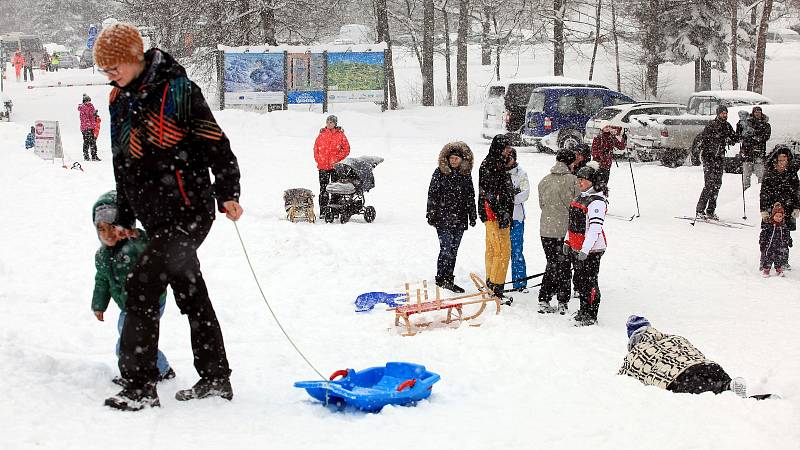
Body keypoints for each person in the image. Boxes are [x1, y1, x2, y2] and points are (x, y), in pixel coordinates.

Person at [94, 22, 243, 411]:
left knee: (142, 286)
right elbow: (121, 163)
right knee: (191, 292)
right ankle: (215, 378)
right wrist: (126, 216)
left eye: (114, 67)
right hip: (156, 218)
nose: (110, 76)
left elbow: (216, 143)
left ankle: (140, 385)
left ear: (134, 57)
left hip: (190, 211)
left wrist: (228, 192)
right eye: (105, 70)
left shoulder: (179, 90)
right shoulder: (117, 101)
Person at [90, 191, 176, 386]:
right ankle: (161, 369)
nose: (108, 234)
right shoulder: (102, 256)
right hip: (128, 305)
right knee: (134, 341)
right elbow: (102, 280)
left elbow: (149, 246)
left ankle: (137, 374)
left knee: (125, 343)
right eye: (102, 230)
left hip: (151, 301)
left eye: (112, 228)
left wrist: (134, 234)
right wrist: (99, 304)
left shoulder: (136, 244)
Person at [619, 315, 747, 397]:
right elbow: (695, 352)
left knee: (699, 387)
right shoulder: (674, 338)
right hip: (707, 366)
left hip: (681, 375)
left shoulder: (636, 351)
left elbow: (621, 380)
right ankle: (730, 385)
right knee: (716, 377)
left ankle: (726, 388)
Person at [426, 142, 477, 293]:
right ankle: (441, 278)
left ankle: (449, 278)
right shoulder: (439, 173)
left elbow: (470, 196)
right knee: (446, 248)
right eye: (451, 158)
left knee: (453, 250)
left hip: (460, 219)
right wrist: (430, 213)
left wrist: (472, 214)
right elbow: (432, 194)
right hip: (442, 218)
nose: (454, 161)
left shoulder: (465, 175)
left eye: (456, 158)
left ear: (462, 160)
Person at [564, 161, 607, 326]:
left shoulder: (597, 202)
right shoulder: (580, 197)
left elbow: (595, 229)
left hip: (592, 250)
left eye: (583, 180)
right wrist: (568, 241)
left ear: (592, 181)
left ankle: (591, 315)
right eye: (578, 179)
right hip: (578, 247)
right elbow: (572, 223)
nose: (580, 182)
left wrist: (585, 250)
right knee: (580, 281)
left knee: (590, 282)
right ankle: (583, 310)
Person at [537, 150, 581, 314]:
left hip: (546, 229)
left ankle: (545, 297)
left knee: (552, 263)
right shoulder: (573, 181)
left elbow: (542, 205)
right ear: (570, 163)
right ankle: (561, 300)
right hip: (564, 230)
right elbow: (577, 205)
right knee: (563, 266)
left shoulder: (544, 181)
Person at [479, 134, 515, 302]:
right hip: (495, 215)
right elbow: (490, 194)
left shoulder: (495, 163)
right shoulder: (492, 165)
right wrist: (502, 212)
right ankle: (496, 287)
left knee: (493, 250)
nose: (509, 150)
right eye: (507, 147)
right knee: (502, 251)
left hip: (493, 213)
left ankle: (491, 283)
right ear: (500, 148)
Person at [759, 145, 800, 268]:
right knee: (767, 235)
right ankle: (765, 260)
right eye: (781, 159)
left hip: (787, 208)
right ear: (775, 160)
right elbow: (764, 193)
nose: (783, 162)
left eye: (785, 159)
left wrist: (797, 207)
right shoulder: (770, 173)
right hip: (771, 209)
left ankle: (783, 260)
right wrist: (764, 210)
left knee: (784, 236)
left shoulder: (792, 173)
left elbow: (796, 191)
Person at [695, 105, 737, 220]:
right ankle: (700, 210)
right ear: (718, 114)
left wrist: (739, 130)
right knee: (709, 184)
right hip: (709, 158)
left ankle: (711, 210)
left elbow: (734, 139)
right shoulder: (711, 125)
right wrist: (715, 140)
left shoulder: (727, 126)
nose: (725, 115)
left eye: (726, 113)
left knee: (717, 184)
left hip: (719, 158)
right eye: (723, 113)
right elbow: (704, 140)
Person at [314, 115, 350, 215]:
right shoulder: (321, 134)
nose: (329, 124)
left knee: (336, 189)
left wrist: (337, 159)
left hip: (335, 167)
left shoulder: (340, 135)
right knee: (323, 189)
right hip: (323, 167)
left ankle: (335, 211)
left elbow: (346, 149)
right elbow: (316, 148)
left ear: (335, 123)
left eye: (331, 122)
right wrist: (319, 159)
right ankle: (323, 211)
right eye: (328, 122)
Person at [506, 148, 530, 292]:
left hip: (516, 217)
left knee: (517, 250)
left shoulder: (521, 173)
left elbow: (525, 193)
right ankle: (498, 281)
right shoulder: (498, 171)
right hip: (501, 217)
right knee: (500, 251)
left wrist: (509, 199)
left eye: (510, 157)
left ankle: (519, 282)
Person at [740, 106, 771, 191]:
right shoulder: (747, 123)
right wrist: (740, 124)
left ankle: (760, 190)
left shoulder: (766, 124)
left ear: (761, 113)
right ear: (753, 113)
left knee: (760, 174)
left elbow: (766, 136)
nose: (757, 113)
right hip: (747, 153)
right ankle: (746, 191)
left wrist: (755, 136)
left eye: (759, 112)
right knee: (746, 174)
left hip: (759, 153)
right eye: (756, 112)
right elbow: (741, 134)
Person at [760, 202, 790, 277]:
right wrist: (762, 242)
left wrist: (789, 240)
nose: (778, 218)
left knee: (779, 258)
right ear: (773, 216)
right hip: (769, 246)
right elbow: (763, 234)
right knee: (768, 258)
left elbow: (787, 235)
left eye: (780, 216)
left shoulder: (784, 226)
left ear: (783, 217)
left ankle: (779, 270)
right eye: (776, 216)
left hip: (780, 246)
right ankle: (766, 270)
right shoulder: (769, 226)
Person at [78, 94, 99, 161]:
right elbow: (84, 118)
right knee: (87, 141)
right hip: (85, 128)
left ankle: (94, 156)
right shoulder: (82, 108)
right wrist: (89, 124)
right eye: (87, 101)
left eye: (89, 101)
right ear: (84, 101)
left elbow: (92, 115)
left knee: (93, 142)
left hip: (92, 127)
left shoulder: (91, 106)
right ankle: (86, 156)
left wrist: (95, 115)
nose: (89, 102)